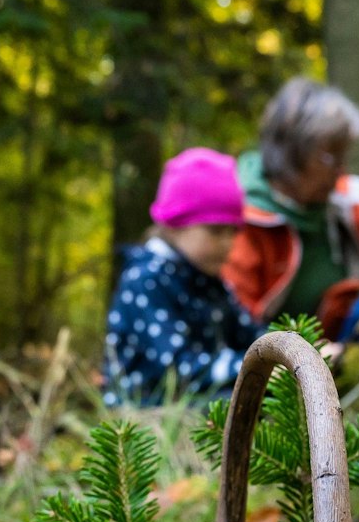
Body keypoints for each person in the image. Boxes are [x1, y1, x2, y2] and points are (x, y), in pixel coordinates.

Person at [226, 77, 359, 341]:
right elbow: (236, 321)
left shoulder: (340, 205)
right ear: (291, 152)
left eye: (344, 156)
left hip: (331, 347)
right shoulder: (243, 217)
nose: (341, 170)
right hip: (269, 357)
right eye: (331, 157)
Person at [103, 148, 263, 407]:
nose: (227, 244)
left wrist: (293, 352)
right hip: (146, 420)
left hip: (203, 404)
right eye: (215, 231)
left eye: (233, 231)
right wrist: (253, 366)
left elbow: (250, 334)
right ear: (175, 224)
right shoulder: (146, 280)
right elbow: (178, 369)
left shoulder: (210, 281)